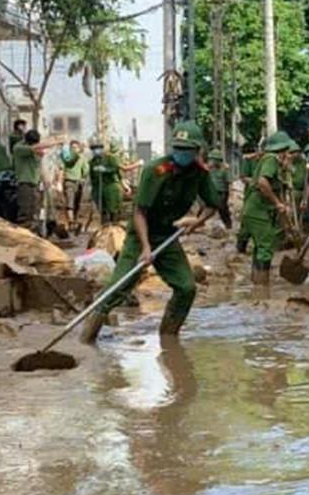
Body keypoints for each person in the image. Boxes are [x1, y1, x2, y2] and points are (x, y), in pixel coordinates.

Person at [81, 120, 220, 343]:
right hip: (141, 234)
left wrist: (196, 222)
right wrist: (145, 248)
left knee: (187, 288)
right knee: (120, 286)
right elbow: (139, 212)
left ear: (197, 150)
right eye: (178, 149)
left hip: (167, 235)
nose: (182, 153)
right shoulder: (155, 171)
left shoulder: (199, 173)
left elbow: (213, 204)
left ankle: (169, 339)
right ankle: (87, 339)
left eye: (187, 150)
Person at [241, 130, 296, 285]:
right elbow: (262, 183)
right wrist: (277, 203)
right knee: (265, 247)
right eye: (289, 153)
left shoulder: (274, 162)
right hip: (257, 211)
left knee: (260, 248)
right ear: (284, 151)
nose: (291, 156)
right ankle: (262, 290)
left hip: (257, 211)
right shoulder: (271, 160)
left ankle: (257, 284)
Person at [12, 129, 44, 231]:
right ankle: (23, 235)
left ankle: (34, 233)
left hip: (35, 184)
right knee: (25, 212)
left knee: (35, 211)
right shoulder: (19, 148)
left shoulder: (35, 149)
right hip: (25, 184)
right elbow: (35, 148)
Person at [88, 139, 124, 224]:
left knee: (112, 208)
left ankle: (114, 225)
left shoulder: (110, 158)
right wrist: (93, 191)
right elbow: (92, 177)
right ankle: (104, 226)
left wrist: (106, 170)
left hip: (110, 186)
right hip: (99, 188)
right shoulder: (92, 162)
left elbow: (115, 169)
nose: (96, 151)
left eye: (98, 148)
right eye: (93, 149)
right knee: (103, 209)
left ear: (102, 149)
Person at [58, 139, 89, 233]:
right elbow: (61, 168)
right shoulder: (67, 157)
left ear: (79, 148)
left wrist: (83, 177)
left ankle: (74, 221)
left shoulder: (82, 158)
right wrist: (59, 181)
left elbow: (86, 170)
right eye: (72, 147)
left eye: (76, 147)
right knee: (70, 203)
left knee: (77, 203)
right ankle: (71, 222)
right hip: (69, 181)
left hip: (79, 182)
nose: (74, 149)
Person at [207, 147, 232, 228]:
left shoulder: (224, 170)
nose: (211, 161)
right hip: (212, 191)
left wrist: (230, 192)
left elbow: (228, 182)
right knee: (206, 208)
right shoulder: (209, 170)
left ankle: (228, 224)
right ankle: (199, 223)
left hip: (222, 192)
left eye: (213, 160)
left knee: (222, 208)